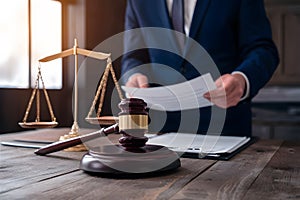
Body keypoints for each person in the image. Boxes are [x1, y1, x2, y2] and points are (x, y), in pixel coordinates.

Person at [121, 0, 279, 137]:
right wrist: (133, 74)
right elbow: (133, 55)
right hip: (159, 132)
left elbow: (263, 50)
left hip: (225, 130)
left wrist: (241, 79)